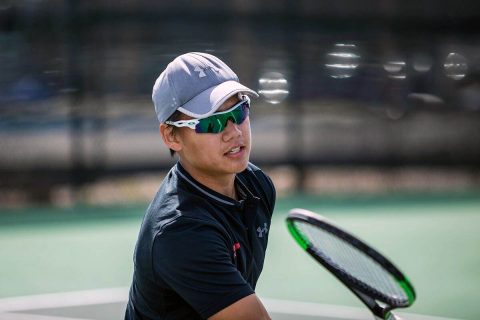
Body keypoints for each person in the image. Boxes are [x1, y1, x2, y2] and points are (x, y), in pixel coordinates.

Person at [125, 52, 276, 320]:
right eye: (211, 122)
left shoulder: (257, 185)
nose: (234, 132)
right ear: (171, 136)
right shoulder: (181, 232)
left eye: (239, 111)